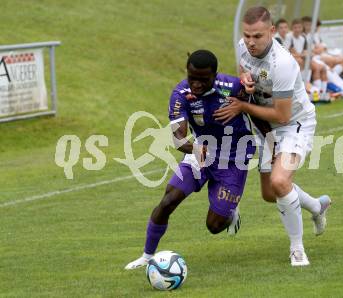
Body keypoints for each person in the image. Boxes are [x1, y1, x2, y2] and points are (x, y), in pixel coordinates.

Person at [214, 7, 331, 267]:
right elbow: (242, 68)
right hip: (265, 128)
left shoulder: (284, 63)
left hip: (293, 124)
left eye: (257, 36)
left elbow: (282, 115)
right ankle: (316, 206)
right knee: (270, 193)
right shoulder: (243, 46)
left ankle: (297, 249)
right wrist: (244, 79)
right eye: (247, 36)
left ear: (272, 31)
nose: (251, 42)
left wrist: (242, 106)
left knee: (279, 181)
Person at [125, 50, 256, 270]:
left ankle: (231, 214)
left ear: (215, 75)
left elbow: (258, 107)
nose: (196, 84)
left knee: (214, 226)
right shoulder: (181, 93)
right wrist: (192, 147)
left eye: (203, 80)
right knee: (168, 200)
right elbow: (178, 138)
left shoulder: (232, 87)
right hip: (200, 153)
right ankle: (147, 256)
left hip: (234, 159)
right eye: (192, 77)